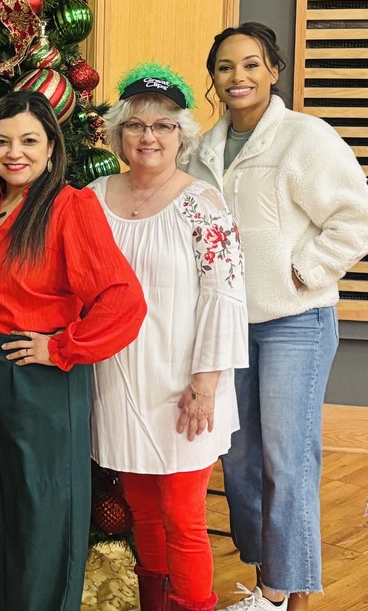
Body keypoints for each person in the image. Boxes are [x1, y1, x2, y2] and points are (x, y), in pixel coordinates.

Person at [185, 23, 368, 611]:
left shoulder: (305, 138)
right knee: (238, 458)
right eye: (224, 67)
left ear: (273, 70)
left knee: (286, 454)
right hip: (227, 326)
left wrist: (304, 270)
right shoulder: (200, 152)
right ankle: (270, 573)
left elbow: (356, 218)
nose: (237, 77)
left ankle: (283, 596)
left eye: (250, 65)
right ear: (214, 79)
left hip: (295, 321)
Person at [0, 89, 147, 611]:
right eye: (1, 142)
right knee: (6, 510)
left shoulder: (68, 207)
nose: (15, 153)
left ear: (50, 146)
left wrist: (62, 347)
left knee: (45, 513)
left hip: (39, 376)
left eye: (29, 140)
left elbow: (123, 300)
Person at [87, 63, 249, 611]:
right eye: (136, 125)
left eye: (163, 125)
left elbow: (224, 296)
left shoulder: (203, 204)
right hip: (117, 381)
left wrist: (205, 383)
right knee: (141, 512)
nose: (148, 136)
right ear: (118, 134)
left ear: (182, 135)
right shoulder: (91, 199)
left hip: (185, 385)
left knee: (183, 518)